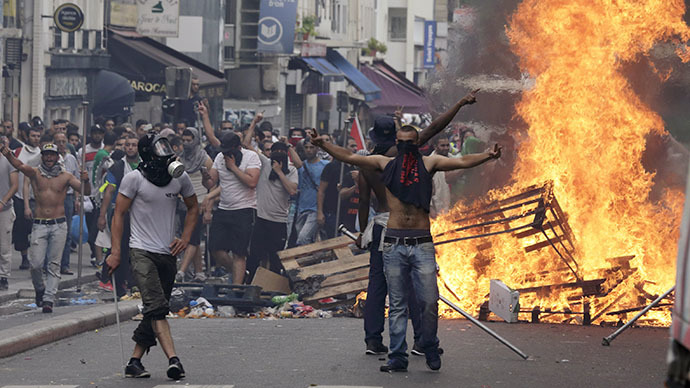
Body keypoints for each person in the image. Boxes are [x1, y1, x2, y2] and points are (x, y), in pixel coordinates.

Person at [311, 120, 500, 372]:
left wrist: (488, 155)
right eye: (401, 143)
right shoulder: (385, 164)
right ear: (396, 144)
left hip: (421, 243)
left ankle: (429, 344)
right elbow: (350, 156)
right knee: (398, 304)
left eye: (410, 143)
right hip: (393, 242)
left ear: (417, 144)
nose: (405, 147)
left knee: (429, 301)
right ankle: (397, 356)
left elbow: (463, 161)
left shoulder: (428, 164)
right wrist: (325, 144)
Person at [105, 133, 197, 380]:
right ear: (148, 153)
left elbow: (193, 206)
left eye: (166, 146)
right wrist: (115, 252)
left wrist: (185, 238)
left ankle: (134, 361)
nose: (165, 151)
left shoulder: (179, 178)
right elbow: (119, 215)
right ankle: (173, 360)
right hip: (142, 250)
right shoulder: (134, 179)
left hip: (167, 253)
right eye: (159, 147)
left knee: (155, 309)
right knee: (157, 308)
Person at [1, 142, 90, 312]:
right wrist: (8, 155)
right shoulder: (35, 174)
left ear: (57, 157)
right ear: (42, 156)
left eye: (52, 155)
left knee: (53, 265)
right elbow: (19, 165)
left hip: (59, 224)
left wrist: (85, 180)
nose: (49, 158)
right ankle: (40, 289)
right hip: (40, 224)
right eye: (46, 155)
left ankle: (49, 298)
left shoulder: (66, 177)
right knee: (35, 264)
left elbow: (86, 191)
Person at [242, 122, 298, 281]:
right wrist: (254, 122)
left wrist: (279, 172)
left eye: (282, 152)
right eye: (275, 151)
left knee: (276, 260)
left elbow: (292, 190)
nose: (278, 154)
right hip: (261, 220)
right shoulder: (264, 163)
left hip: (279, 222)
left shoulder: (291, 170)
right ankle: (250, 286)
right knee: (254, 258)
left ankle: (274, 290)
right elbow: (246, 144)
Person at [202, 130, 261, 284]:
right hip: (224, 209)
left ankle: (237, 287)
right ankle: (239, 273)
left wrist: (233, 167)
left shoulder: (251, 157)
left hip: (244, 209)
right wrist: (205, 176)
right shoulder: (220, 158)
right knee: (215, 248)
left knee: (239, 252)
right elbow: (210, 183)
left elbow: (252, 183)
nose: (225, 154)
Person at [98, 133, 140, 296]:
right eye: (127, 145)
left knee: (136, 248)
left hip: (140, 214)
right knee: (118, 246)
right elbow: (108, 191)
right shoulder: (116, 167)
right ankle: (112, 279)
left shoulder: (144, 166)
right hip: (121, 213)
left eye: (133, 145)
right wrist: (102, 215)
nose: (130, 148)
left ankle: (133, 280)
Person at [174, 127, 214, 283]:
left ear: (196, 140)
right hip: (183, 203)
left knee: (191, 237)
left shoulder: (205, 159)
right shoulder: (180, 159)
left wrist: (209, 204)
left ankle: (182, 271)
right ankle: (199, 272)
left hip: (198, 203)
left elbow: (213, 182)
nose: (186, 143)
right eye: (184, 140)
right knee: (193, 237)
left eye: (189, 140)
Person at [12, 126, 41, 270]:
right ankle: (24, 257)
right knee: (21, 228)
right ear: (27, 136)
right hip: (19, 196)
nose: (35, 138)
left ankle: (36, 257)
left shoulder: (43, 154)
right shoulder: (19, 152)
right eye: (33, 135)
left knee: (36, 229)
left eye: (38, 136)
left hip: (36, 197)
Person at [318, 137, 359, 237]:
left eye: (356, 146)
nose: (355, 149)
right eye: (352, 146)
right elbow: (321, 191)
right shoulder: (331, 167)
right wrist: (319, 212)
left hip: (349, 214)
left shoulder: (356, 167)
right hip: (332, 212)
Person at [294, 138, 329, 246]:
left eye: (311, 147)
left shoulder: (325, 165)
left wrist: (321, 211)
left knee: (303, 238)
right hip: (302, 208)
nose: (309, 150)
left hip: (315, 209)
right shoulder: (301, 165)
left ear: (317, 149)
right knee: (305, 239)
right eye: (306, 147)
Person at [53, 132, 79, 275]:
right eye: (58, 141)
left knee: (67, 232)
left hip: (68, 197)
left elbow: (75, 179)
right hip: (54, 197)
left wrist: (77, 199)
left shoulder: (71, 159)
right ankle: (51, 264)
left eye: (63, 141)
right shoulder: (50, 159)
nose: (61, 144)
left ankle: (65, 264)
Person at [79, 125, 105, 267]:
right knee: (89, 226)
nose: (97, 136)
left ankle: (98, 254)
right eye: (94, 133)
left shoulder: (105, 151)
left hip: (100, 193)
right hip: (88, 193)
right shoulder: (84, 151)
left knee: (98, 226)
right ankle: (94, 250)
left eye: (99, 133)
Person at [0, 136, 18, 290]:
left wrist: (3, 201)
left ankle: (3, 275)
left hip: (4, 210)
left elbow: (15, 185)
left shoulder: (8, 160)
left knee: (4, 244)